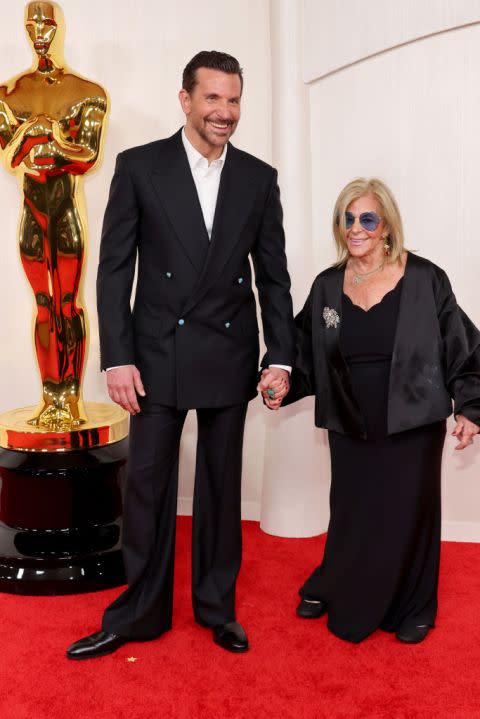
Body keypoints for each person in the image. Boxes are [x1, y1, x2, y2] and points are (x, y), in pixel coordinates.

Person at [67, 51, 295, 659]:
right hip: (155, 354)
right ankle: (139, 611)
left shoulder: (258, 178)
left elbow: (274, 278)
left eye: (234, 99)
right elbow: (114, 269)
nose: (226, 112)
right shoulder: (140, 168)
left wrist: (282, 356)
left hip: (227, 351)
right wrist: (116, 358)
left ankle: (217, 608)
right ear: (186, 99)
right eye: (214, 98)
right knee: (148, 489)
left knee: (222, 489)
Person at [259, 177, 480, 644]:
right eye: (347, 218)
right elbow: (302, 352)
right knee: (353, 510)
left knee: (409, 511)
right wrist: (279, 378)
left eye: (367, 218)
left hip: (412, 417)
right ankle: (338, 583)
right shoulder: (326, 286)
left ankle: (414, 605)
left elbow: (460, 345)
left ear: (385, 226)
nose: (355, 228)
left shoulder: (425, 278)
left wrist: (471, 408)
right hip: (349, 417)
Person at [0, 1, 107, 429]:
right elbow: (9, 157)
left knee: (68, 302)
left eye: (45, 22)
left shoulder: (86, 92)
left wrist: (51, 138)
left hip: (64, 209)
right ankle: (51, 398)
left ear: (59, 27)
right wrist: (33, 130)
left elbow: (88, 155)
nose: (38, 30)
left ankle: (72, 398)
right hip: (32, 211)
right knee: (43, 305)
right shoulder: (9, 93)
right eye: (31, 23)